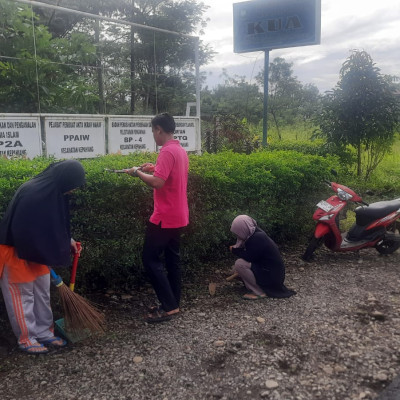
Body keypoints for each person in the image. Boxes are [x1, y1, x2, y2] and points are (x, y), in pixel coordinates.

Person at [0, 160, 85, 354]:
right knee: (23, 297)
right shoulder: (34, 193)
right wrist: (40, 250)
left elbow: (52, 224)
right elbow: (23, 228)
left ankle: (45, 332)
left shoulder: (53, 193)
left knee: (41, 293)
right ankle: (26, 338)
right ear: (65, 179)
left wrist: (67, 240)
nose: (72, 191)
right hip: (16, 252)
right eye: (73, 186)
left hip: (38, 252)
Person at [127, 113, 189, 323]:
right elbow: (167, 175)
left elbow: (157, 183)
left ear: (159, 129)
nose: (153, 134)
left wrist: (137, 173)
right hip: (179, 214)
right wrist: (151, 169)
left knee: (150, 259)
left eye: (153, 130)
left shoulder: (166, 151)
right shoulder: (179, 151)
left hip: (164, 216)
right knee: (172, 260)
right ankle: (173, 303)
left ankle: (169, 305)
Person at [229, 215, 296, 300]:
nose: (237, 236)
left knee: (239, 264)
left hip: (272, 276)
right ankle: (253, 285)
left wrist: (235, 250)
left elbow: (249, 257)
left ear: (243, 228)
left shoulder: (257, 237)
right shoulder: (254, 233)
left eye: (238, 232)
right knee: (236, 269)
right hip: (270, 272)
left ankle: (258, 292)